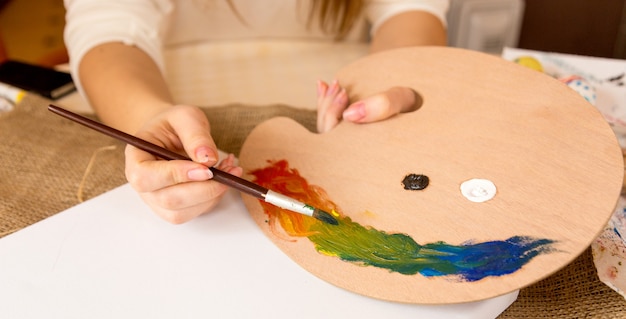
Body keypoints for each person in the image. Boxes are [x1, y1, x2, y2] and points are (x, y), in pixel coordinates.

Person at [63, 0, 448, 223]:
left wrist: (391, 90)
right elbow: (104, 26)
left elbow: (411, 10)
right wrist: (148, 117)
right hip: (157, 78)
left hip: (347, 78)